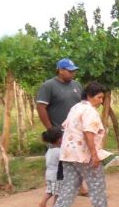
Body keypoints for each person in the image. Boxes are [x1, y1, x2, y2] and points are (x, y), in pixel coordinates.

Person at [50, 82, 117, 207]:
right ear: (89, 96)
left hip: (68, 153)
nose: (101, 101)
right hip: (83, 154)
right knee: (96, 181)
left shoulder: (75, 107)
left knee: (70, 182)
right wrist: (94, 154)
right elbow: (88, 133)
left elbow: (66, 127)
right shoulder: (90, 111)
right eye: (99, 97)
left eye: (102, 98)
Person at [36, 58, 88, 195]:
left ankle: (80, 186)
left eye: (74, 71)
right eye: (69, 71)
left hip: (76, 130)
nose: (72, 74)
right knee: (59, 162)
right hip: (59, 132)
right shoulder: (49, 86)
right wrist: (51, 129)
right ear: (60, 70)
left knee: (79, 159)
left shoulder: (77, 85)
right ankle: (56, 190)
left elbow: (82, 105)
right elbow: (41, 107)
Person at [39, 127, 63, 207]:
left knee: (50, 190)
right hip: (56, 175)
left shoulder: (50, 149)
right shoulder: (58, 151)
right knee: (57, 192)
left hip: (48, 173)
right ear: (59, 139)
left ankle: (43, 203)